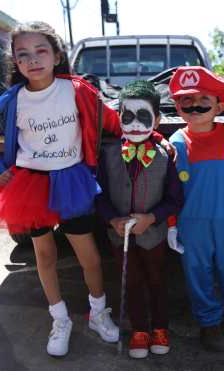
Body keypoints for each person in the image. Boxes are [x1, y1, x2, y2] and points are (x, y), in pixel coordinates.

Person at [0, 21, 121, 357]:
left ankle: (98, 313)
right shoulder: (13, 100)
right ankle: (59, 318)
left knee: (89, 256)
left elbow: (110, 119)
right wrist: (0, 170)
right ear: (15, 62)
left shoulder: (77, 89)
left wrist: (145, 127)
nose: (33, 59)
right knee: (44, 255)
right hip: (30, 184)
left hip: (70, 179)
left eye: (41, 50)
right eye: (23, 54)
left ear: (57, 55)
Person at [168, 66, 224, 352]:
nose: (194, 105)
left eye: (202, 98)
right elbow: (170, 191)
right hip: (191, 224)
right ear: (177, 107)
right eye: (186, 100)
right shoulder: (175, 144)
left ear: (219, 105)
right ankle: (210, 325)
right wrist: (171, 223)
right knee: (198, 275)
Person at [96, 80, 184, 359]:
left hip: (153, 235)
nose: (135, 124)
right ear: (119, 116)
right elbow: (98, 194)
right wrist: (112, 219)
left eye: (144, 116)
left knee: (157, 280)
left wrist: (152, 217)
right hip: (118, 235)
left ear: (157, 120)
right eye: (128, 116)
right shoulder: (108, 154)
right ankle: (139, 330)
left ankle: (160, 328)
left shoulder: (165, 155)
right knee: (130, 281)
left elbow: (175, 199)